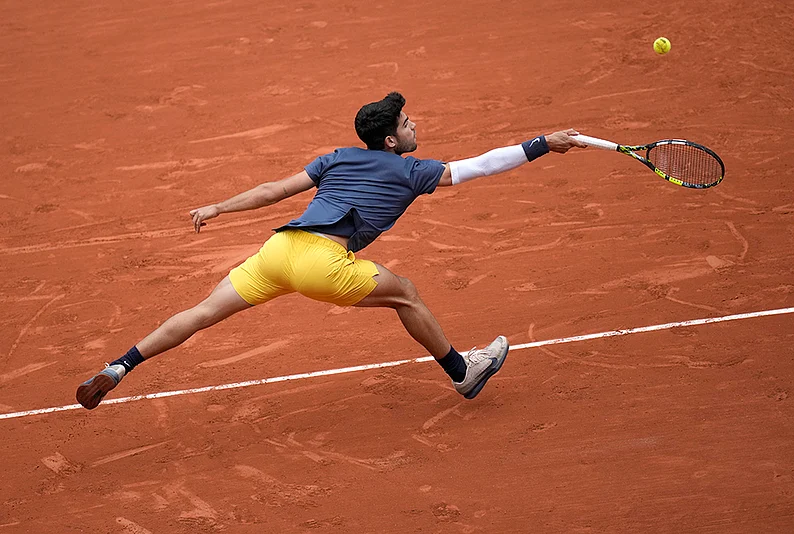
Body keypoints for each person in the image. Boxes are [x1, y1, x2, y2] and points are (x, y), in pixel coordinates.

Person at [76, 91, 585, 410]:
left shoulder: (337, 157)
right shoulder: (415, 170)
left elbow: (274, 191)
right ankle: (462, 372)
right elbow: (483, 164)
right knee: (406, 293)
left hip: (278, 251)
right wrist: (545, 143)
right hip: (324, 263)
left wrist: (217, 207)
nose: (414, 125)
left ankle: (120, 366)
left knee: (202, 312)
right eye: (407, 123)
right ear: (390, 140)